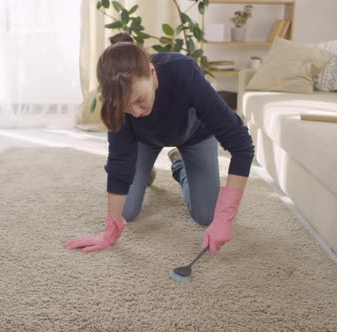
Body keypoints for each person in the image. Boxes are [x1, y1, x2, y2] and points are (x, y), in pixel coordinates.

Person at [63, 32, 254, 254]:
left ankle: (179, 165)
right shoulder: (117, 99)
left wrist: (225, 217)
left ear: (152, 73)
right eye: (127, 108)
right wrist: (110, 231)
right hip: (144, 142)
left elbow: (242, 145)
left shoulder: (184, 71)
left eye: (139, 101)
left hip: (194, 136)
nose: (135, 113)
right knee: (127, 210)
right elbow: (119, 162)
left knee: (206, 215)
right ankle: (146, 170)